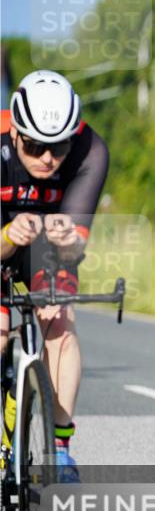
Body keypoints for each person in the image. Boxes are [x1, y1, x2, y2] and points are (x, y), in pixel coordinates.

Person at [1, 70, 109, 482]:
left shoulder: (90, 150)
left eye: (58, 145)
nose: (48, 158)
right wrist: (11, 233)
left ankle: (59, 448)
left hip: (44, 248)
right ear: (14, 133)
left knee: (59, 324)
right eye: (34, 146)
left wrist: (67, 240)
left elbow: (76, 247)